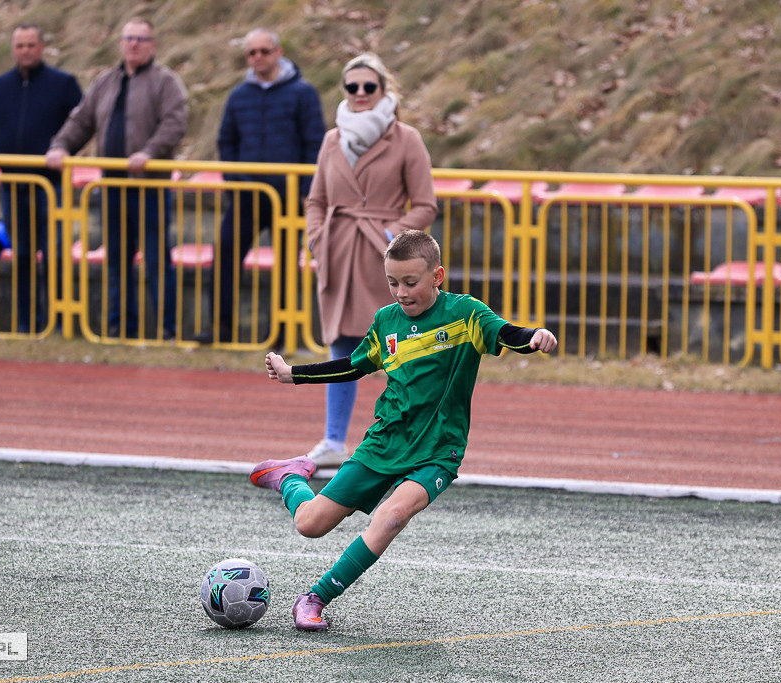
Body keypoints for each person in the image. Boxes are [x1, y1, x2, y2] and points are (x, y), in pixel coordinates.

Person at [252, 229, 558, 631]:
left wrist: (532, 337)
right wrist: (294, 374)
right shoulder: (386, 321)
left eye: (410, 282)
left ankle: (315, 598)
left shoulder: (465, 314)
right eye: (393, 282)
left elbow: (504, 333)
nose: (401, 292)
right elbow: (354, 366)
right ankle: (290, 476)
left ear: (437, 276)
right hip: (385, 442)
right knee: (310, 524)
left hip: (438, 450)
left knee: (393, 516)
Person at [300, 53, 438, 466]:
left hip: (386, 261)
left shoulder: (406, 138)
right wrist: (317, 238)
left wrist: (390, 237)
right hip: (339, 253)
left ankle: (414, 440)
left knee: (400, 347)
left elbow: (425, 204)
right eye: (352, 86)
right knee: (342, 346)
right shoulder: (331, 139)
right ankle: (333, 440)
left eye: (368, 86)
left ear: (382, 89)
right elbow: (316, 200)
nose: (360, 93)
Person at [46, 17, 186, 340]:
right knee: (117, 261)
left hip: (150, 187)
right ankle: (120, 328)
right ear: (121, 43)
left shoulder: (166, 82)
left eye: (141, 39)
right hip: (111, 187)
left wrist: (149, 152)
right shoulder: (105, 82)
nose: (134, 44)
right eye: (128, 38)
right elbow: (81, 121)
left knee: (156, 260)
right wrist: (60, 145)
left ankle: (168, 330)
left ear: (153, 45)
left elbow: (175, 122)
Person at [195, 28, 325, 344]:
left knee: (286, 264)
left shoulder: (303, 93)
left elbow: (314, 143)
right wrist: (233, 182)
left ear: (279, 52)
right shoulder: (239, 96)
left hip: (288, 196)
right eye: (252, 52)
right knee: (225, 253)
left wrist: (306, 189)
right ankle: (221, 327)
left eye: (264, 51)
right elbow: (227, 141)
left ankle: (280, 331)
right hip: (246, 195)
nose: (258, 57)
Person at [0, 23, 83, 333]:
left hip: (51, 186)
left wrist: (63, 151)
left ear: (42, 47)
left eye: (31, 45)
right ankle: (27, 321)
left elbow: (82, 124)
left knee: (54, 255)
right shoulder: (0, 86)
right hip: (13, 187)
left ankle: (57, 320)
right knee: (22, 256)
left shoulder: (63, 84)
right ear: (13, 49)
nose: (25, 51)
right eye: (20, 45)